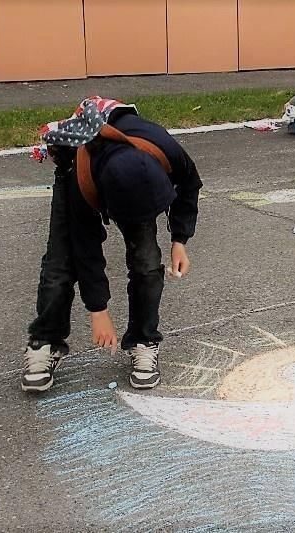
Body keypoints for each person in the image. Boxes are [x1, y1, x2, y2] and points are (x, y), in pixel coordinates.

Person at [22, 97, 203, 392]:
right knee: (60, 264)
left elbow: (189, 185)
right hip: (78, 170)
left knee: (146, 259)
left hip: (130, 171)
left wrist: (179, 240)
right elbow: (86, 248)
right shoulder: (81, 183)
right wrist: (98, 311)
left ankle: (143, 340)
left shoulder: (164, 149)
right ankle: (45, 342)